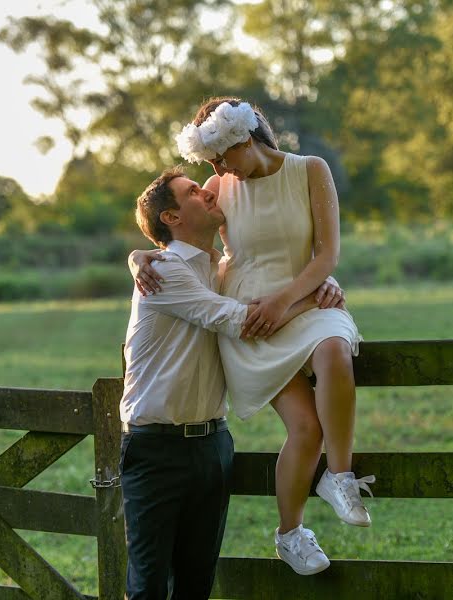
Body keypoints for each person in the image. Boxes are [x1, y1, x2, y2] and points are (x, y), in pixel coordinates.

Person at [130, 97, 374, 576]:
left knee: (334, 352)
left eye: (222, 156)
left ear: (245, 137)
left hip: (302, 298)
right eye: (210, 163)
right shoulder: (220, 186)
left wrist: (294, 296)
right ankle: (291, 534)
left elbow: (326, 254)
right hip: (249, 312)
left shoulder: (310, 170)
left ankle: (340, 476)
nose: (217, 170)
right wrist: (138, 257)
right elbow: (172, 228)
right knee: (305, 428)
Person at [121, 166, 337, 598]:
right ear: (172, 218)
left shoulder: (218, 271)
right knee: (149, 586)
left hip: (213, 446)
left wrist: (319, 279)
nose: (207, 191)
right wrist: (312, 298)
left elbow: (266, 283)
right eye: (192, 191)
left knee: (197, 584)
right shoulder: (163, 271)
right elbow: (242, 322)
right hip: (157, 447)